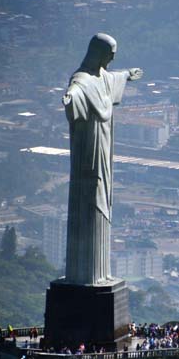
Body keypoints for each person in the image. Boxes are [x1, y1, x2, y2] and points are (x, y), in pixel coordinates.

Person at [62, 33, 142, 285]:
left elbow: (112, 78)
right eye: (110, 54)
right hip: (89, 153)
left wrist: (128, 74)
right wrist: (70, 99)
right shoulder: (82, 80)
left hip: (105, 149)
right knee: (90, 200)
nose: (112, 59)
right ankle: (86, 275)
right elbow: (75, 90)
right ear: (97, 53)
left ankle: (100, 273)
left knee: (104, 201)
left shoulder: (103, 77)